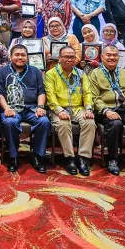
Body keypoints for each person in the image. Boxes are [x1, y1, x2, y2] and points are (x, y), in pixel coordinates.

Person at [89, 45, 125, 177]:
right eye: (108, 55)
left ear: (118, 57)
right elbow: (94, 97)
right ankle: (113, 159)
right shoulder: (95, 74)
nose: (112, 57)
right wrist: (106, 111)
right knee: (115, 124)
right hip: (106, 109)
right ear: (102, 57)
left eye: (115, 55)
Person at [45, 46, 96, 176]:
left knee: (90, 122)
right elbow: (50, 96)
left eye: (72, 57)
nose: (69, 59)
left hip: (78, 108)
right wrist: (59, 111)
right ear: (59, 58)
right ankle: (69, 158)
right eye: (66, 57)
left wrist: (88, 109)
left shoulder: (81, 74)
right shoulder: (51, 74)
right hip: (58, 108)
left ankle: (83, 158)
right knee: (63, 124)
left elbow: (87, 93)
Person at [0, 45, 49, 173]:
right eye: (17, 55)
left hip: (32, 108)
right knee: (10, 122)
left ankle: (38, 156)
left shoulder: (35, 71)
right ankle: (13, 157)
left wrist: (40, 107)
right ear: (10, 57)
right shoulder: (2, 72)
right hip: (11, 108)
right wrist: (6, 108)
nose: (20, 57)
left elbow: (41, 92)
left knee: (44, 121)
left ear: (27, 57)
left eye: (23, 55)